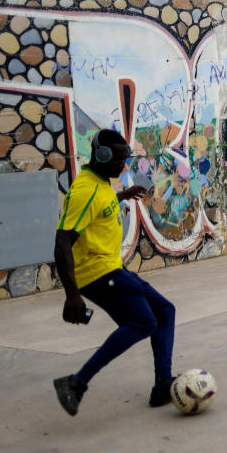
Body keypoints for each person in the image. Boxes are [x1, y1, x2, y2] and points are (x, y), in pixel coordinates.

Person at [53, 129, 176, 416]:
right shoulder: (85, 190)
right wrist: (71, 295)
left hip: (111, 267)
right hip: (97, 273)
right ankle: (76, 382)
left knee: (164, 312)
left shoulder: (101, 182)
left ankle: (162, 386)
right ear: (102, 156)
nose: (123, 166)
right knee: (143, 321)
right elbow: (61, 243)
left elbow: (100, 205)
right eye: (119, 160)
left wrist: (122, 195)